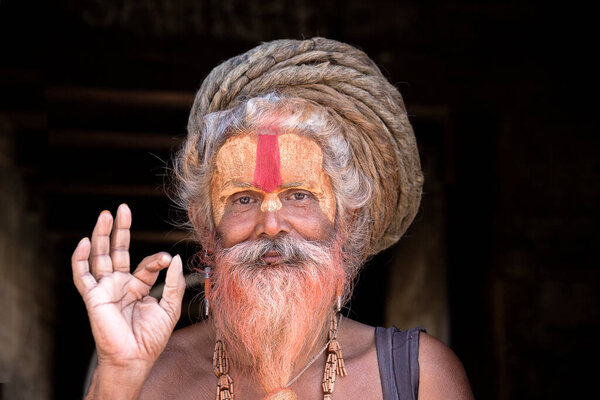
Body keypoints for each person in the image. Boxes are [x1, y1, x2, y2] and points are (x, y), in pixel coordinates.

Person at [71, 37, 473, 400]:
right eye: (243, 198)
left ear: (346, 222)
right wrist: (119, 377)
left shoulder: (420, 376)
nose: (272, 223)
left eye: (299, 196)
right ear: (208, 226)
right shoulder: (150, 379)